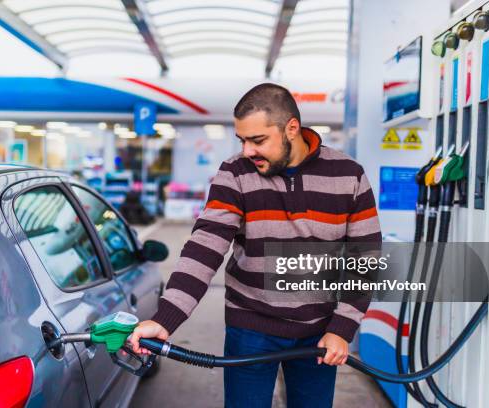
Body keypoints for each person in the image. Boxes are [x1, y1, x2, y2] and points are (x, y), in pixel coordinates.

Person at [129, 83, 381, 407]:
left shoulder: (349, 175)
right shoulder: (234, 173)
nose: (247, 151)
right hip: (250, 329)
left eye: (258, 140)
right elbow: (204, 249)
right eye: (242, 140)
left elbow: (366, 258)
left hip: (319, 331)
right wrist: (165, 319)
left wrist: (343, 327)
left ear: (291, 128)